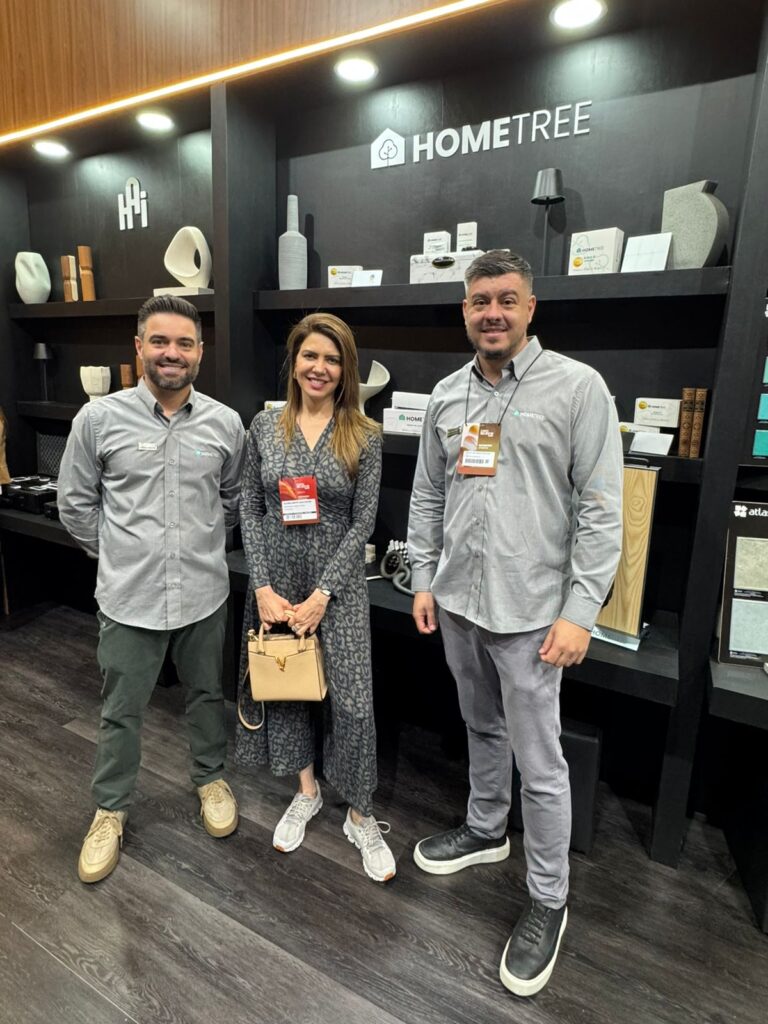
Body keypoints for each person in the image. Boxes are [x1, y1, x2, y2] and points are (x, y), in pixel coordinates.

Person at [407, 251, 623, 996]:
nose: (491, 312)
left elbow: (602, 512)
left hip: (533, 616)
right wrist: (424, 578)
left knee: (542, 761)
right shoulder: (446, 396)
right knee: (481, 726)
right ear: (464, 310)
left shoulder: (578, 388)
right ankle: (485, 828)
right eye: (479, 301)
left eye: (506, 299)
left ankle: (549, 899)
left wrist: (580, 612)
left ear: (531, 307)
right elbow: (427, 496)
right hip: (460, 604)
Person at [58, 294, 246, 884]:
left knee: (207, 695)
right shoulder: (98, 420)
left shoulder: (225, 424)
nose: (172, 353)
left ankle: (210, 778)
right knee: (121, 710)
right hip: (129, 599)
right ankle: (110, 810)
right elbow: (75, 504)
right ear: (139, 347)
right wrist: (119, 554)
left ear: (200, 352)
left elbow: (232, 501)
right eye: (160, 341)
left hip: (203, 595)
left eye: (184, 343)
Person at [234, 311, 395, 882]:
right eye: (310, 356)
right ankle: (306, 791)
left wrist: (325, 591)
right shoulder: (264, 427)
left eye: (332, 359)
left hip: (339, 586)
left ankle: (360, 813)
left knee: (353, 701)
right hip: (276, 584)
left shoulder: (364, 435)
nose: (319, 368)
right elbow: (251, 507)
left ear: (346, 369)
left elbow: (363, 522)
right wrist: (263, 586)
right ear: (294, 362)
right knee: (287, 689)